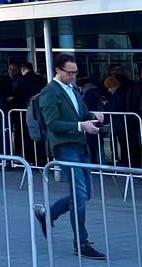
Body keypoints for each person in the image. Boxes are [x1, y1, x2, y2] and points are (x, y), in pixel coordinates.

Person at [33, 54, 107, 261]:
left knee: (84, 194)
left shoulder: (72, 89)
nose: (73, 76)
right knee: (80, 194)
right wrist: (81, 125)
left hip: (80, 146)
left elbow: (81, 113)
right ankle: (81, 242)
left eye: (75, 72)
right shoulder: (50, 92)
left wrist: (93, 117)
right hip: (65, 147)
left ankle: (48, 214)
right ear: (58, 70)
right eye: (70, 72)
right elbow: (53, 124)